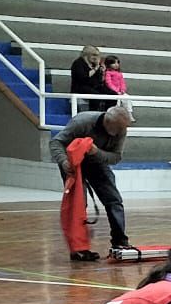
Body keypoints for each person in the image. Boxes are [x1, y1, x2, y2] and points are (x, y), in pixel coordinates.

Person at [50, 102, 134, 260]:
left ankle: (120, 241)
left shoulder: (121, 130)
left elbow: (115, 157)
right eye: (120, 128)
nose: (123, 132)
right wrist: (63, 162)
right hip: (72, 164)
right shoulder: (82, 122)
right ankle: (78, 249)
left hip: (97, 162)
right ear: (108, 123)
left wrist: (97, 152)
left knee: (114, 200)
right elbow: (56, 142)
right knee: (78, 205)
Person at [69, 44, 110, 112]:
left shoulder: (94, 64)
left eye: (97, 55)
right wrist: (95, 68)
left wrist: (102, 72)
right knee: (96, 95)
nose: (96, 57)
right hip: (80, 87)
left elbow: (99, 80)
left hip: (94, 86)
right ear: (86, 55)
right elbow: (83, 78)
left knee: (112, 94)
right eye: (93, 55)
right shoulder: (78, 63)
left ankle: (108, 114)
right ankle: (92, 114)